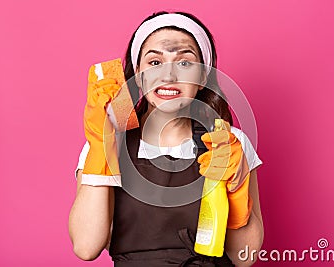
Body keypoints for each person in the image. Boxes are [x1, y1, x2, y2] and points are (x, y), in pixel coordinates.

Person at [69, 11, 264, 267]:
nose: (169, 76)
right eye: (154, 63)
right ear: (138, 73)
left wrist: (235, 188)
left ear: (203, 76)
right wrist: (101, 146)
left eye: (184, 63)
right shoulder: (108, 144)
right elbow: (86, 246)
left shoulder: (229, 143)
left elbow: (244, 258)